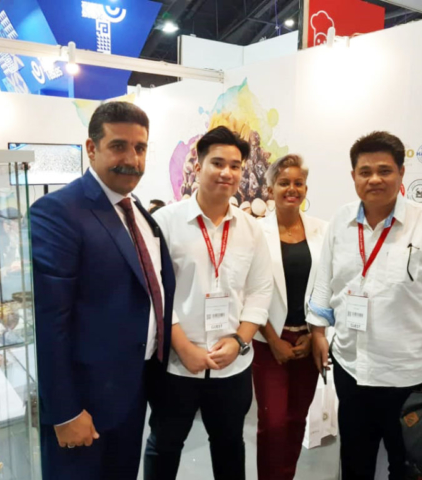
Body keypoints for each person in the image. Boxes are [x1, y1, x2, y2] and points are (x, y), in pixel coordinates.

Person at [307, 131, 422, 480]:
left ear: (401, 173)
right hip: (352, 367)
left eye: (384, 170)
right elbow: (324, 282)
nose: (374, 179)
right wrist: (317, 331)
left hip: (409, 375)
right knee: (355, 462)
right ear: (353, 176)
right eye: (365, 172)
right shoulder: (341, 222)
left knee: (406, 467)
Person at [31, 102, 175, 479]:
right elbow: (49, 322)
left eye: (140, 148)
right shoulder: (58, 212)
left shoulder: (137, 210)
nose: (132, 159)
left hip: (132, 392)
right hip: (84, 406)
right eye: (118, 146)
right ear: (91, 149)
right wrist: (64, 411)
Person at [144, 126, 273, 480]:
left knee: (230, 444)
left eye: (235, 166)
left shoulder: (251, 229)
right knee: (165, 445)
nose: (227, 172)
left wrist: (240, 340)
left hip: (232, 365)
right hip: (176, 365)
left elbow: (260, 291)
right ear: (198, 165)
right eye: (217, 163)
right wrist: (183, 347)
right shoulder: (165, 223)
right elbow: (155, 292)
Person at [252, 154, 328, 480]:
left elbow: (328, 287)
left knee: (297, 420)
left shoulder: (323, 230)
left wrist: (315, 334)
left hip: (308, 341)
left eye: (299, 183)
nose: (292, 189)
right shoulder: (255, 231)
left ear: (306, 189)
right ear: (270, 189)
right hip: (269, 340)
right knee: (272, 423)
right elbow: (248, 291)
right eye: (284, 183)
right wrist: (273, 340)